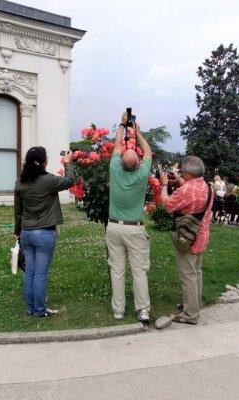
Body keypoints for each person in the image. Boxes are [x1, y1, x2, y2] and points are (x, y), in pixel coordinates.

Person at [14, 146, 75, 317]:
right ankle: (39, 310)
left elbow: (18, 211)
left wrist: (17, 231)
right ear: (43, 162)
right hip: (44, 233)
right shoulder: (48, 180)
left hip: (26, 232)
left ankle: (30, 308)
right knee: (40, 272)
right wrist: (68, 163)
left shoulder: (20, 182)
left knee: (30, 271)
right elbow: (70, 180)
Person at [106, 112, 152, 322]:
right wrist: (138, 133)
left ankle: (118, 310)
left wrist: (123, 126)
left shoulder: (115, 170)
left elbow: (116, 145)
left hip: (114, 227)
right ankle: (142, 309)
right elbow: (149, 152)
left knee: (117, 270)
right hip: (135, 229)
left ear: (121, 163)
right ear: (137, 165)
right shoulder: (142, 175)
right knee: (139, 271)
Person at [160, 156, 213, 325]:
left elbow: (167, 205)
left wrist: (164, 184)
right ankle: (194, 305)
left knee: (188, 275)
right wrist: (182, 180)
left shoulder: (186, 190)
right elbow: (192, 191)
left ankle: (190, 314)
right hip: (202, 235)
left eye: (183, 171)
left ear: (188, 173)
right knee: (196, 272)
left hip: (188, 237)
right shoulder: (206, 186)